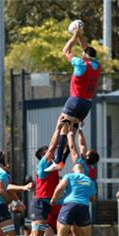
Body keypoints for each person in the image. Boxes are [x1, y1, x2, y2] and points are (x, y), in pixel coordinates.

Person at [44, 26, 101, 172]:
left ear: (84, 56)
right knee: (72, 132)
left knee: (63, 127)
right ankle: (61, 161)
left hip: (74, 101)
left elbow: (65, 51)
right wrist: (81, 35)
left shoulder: (80, 64)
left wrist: (74, 37)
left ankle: (58, 161)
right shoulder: (96, 65)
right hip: (86, 104)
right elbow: (87, 50)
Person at [17, 122, 63, 236]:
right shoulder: (43, 164)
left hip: (47, 203)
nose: (53, 152)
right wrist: (58, 128)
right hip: (39, 203)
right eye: (49, 152)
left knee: (39, 235)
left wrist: (69, 131)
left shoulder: (54, 165)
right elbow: (53, 145)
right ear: (43, 156)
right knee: (37, 235)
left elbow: (62, 149)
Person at [45, 163, 99, 236]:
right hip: (83, 207)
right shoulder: (90, 181)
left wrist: (54, 199)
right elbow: (93, 199)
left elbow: (60, 188)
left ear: (74, 170)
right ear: (83, 171)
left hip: (69, 206)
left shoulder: (69, 176)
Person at [66, 126, 100, 236]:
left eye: (87, 152)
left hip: (74, 203)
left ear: (87, 156)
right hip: (84, 203)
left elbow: (74, 146)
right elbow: (83, 146)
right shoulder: (90, 167)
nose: (85, 150)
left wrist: (69, 133)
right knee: (80, 235)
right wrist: (80, 130)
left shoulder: (79, 163)